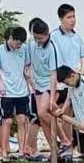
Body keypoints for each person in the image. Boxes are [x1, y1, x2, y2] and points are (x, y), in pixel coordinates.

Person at [0, 26, 31, 159]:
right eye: (17, 43)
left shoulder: (24, 49)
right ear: (10, 38)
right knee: (7, 121)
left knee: (22, 119)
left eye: (20, 44)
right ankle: (4, 151)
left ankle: (21, 151)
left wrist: (28, 78)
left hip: (22, 91)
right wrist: (0, 85)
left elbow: (27, 66)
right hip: (7, 92)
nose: (18, 46)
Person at [26, 19, 61, 151]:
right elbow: (28, 64)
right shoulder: (31, 44)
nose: (37, 41)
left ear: (47, 35)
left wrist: (52, 97)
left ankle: (64, 139)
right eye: (35, 37)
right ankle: (54, 148)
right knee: (41, 118)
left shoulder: (52, 48)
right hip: (37, 85)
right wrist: (30, 80)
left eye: (39, 38)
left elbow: (53, 74)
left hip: (49, 84)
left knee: (42, 112)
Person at [50, 4, 84, 76]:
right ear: (61, 19)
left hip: (77, 78)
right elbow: (54, 60)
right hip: (62, 79)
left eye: (74, 16)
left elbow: (82, 57)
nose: (73, 20)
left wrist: (82, 70)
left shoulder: (78, 37)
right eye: (69, 17)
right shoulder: (53, 37)